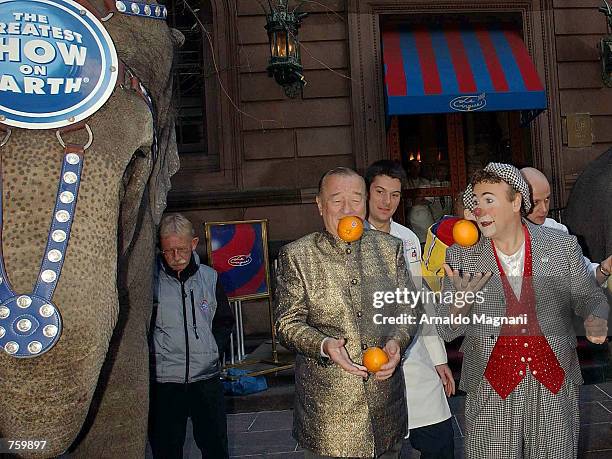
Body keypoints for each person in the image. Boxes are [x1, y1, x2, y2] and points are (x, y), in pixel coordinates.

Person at [437, 163, 609, 459]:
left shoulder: (561, 247)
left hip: (554, 384)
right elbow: (445, 328)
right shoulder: (461, 256)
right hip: (491, 388)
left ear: (516, 201)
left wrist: (596, 319)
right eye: (475, 202)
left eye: (489, 200)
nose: (479, 210)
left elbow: (589, 297)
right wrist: (458, 306)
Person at [275, 167, 421, 458]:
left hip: (385, 412)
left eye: (356, 199)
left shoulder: (390, 248)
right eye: (336, 200)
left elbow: (408, 306)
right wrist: (324, 345)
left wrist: (396, 343)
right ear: (320, 205)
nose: (347, 209)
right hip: (327, 420)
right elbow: (286, 323)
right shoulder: (297, 255)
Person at [364, 160, 455, 459]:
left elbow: (423, 299)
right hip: (372, 361)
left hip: (416, 355)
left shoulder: (408, 239)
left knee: (440, 440)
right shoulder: (349, 240)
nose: (386, 201)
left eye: (394, 194)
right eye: (379, 192)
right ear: (366, 193)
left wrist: (439, 358)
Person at [149, 213, 234, 459]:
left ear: (194, 244)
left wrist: (213, 351)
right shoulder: (150, 281)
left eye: (182, 250)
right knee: (166, 450)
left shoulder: (210, 277)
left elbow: (224, 321)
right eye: (169, 251)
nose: (176, 257)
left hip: (206, 380)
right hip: (165, 383)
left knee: (216, 448)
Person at [520, 167, 611, 286]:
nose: (544, 209)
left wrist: (605, 268)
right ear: (517, 201)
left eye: (547, 199)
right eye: (536, 202)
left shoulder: (556, 230)